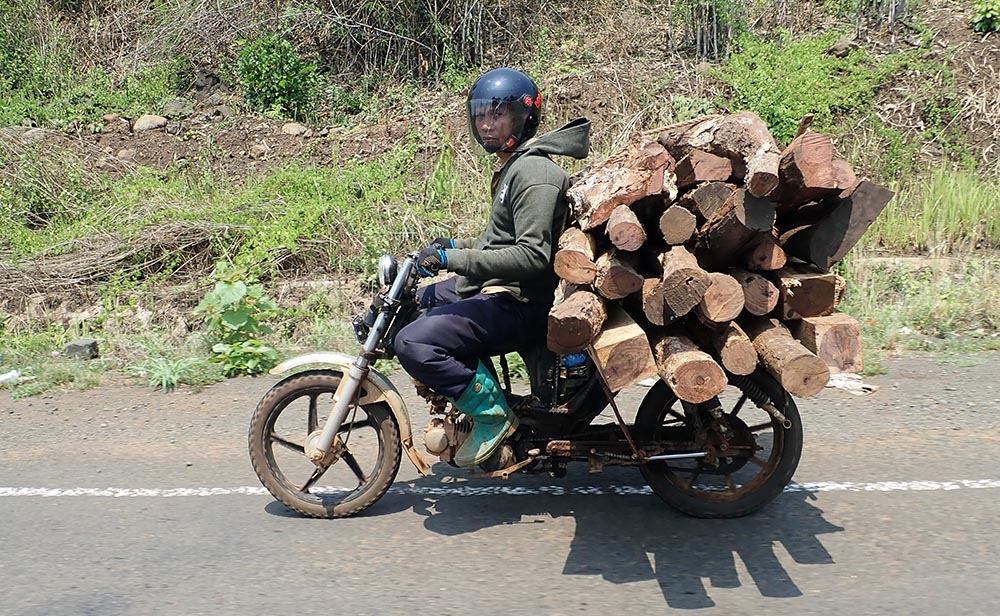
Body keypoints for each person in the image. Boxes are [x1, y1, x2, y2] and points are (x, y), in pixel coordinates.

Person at [393, 67, 591, 468]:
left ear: (523, 117)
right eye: (481, 114)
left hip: (522, 302)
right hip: (502, 290)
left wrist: (452, 260)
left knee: (413, 342)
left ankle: (491, 414)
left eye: (498, 115)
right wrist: (450, 246)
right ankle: (467, 396)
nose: (487, 124)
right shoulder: (514, 166)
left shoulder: (534, 173)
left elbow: (532, 256)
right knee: (411, 300)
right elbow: (497, 243)